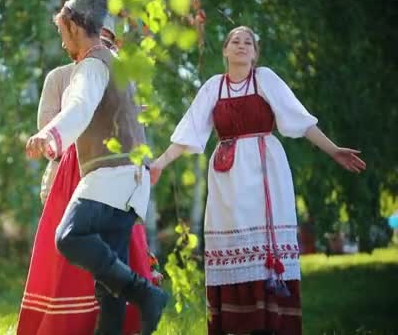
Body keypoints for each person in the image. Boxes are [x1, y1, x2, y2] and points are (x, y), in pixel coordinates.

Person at [149, 26, 366, 335]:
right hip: (228, 181)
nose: (241, 45)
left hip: (266, 173)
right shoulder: (214, 87)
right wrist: (158, 164)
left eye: (247, 42)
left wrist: (333, 151)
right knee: (232, 248)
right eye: (234, 41)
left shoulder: (265, 79)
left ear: (255, 52)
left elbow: (300, 121)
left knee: (265, 251)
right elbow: (187, 134)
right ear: (224, 51)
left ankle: (272, 326)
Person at [25, 0, 168, 334]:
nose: (62, 42)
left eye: (63, 31)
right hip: (132, 180)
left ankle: (147, 294)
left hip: (110, 175)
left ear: (74, 26)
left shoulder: (92, 64)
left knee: (69, 236)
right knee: (108, 286)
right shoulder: (118, 62)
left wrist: (49, 135)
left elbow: (78, 107)